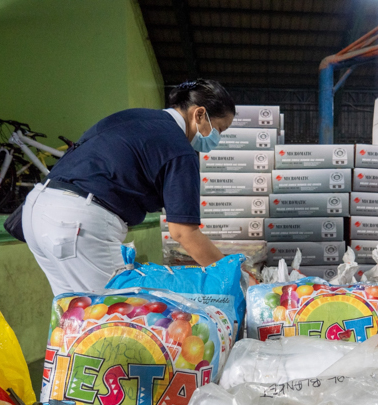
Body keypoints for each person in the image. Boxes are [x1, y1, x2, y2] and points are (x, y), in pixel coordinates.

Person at [22, 79, 234, 296]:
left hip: (36, 209)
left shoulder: (136, 117)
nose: (217, 137)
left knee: (73, 313)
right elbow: (183, 232)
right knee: (114, 315)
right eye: (219, 129)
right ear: (199, 114)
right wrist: (232, 277)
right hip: (78, 223)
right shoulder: (179, 148)